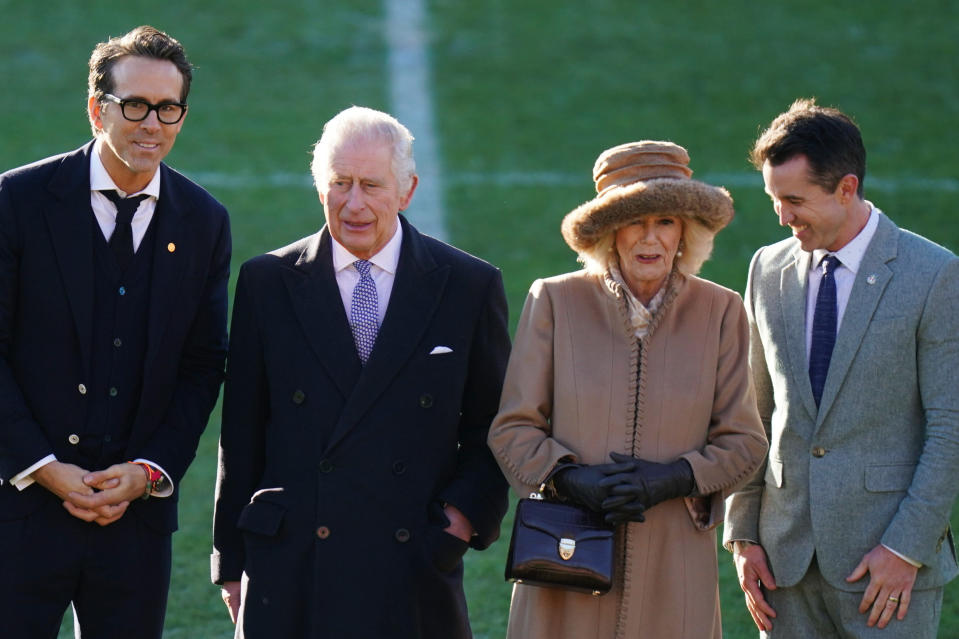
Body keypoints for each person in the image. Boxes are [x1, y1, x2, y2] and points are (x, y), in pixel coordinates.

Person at [211, 105, 511, 638]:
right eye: (339, 184)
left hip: (412, 563)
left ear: (407, 190)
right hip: (290, 563)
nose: (354, 204)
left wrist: (460, 521)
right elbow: (242, 431)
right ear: (318, 187)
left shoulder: (468, 286)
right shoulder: (267, 282)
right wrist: (230, 561)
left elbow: (495, 424)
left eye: (371, 185)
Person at [0, 25, 230, 639]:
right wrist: (44, 467)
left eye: (168, 108)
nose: (151, 124)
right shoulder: (16, 202)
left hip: (135, 525)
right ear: (97, 108)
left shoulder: (205, 221)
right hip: (19, 509)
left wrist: (150, 470)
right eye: (134, 106)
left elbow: (204, 363)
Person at [488, 140, 768, 639]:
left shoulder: (722, 311)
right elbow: (513, 428)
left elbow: (744, 442)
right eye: (635, 220)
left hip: (675, 560)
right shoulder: (554, 301)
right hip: (566, 554)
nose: (650, 237)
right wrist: (571, 480)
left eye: (665, 221)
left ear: (685, 231)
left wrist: (676, 478)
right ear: (608, 232)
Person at [724, 98, 959, 638]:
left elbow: (950, 428)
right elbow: (752, 410)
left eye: (794, 200)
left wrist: (906, 548)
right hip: (784, 569)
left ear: (847, 188)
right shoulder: (766, 267)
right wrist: (743, 533)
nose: (781, 216)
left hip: (886, 572)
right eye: (773, 199)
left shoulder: (935, 275)